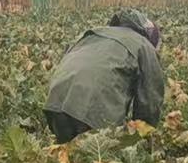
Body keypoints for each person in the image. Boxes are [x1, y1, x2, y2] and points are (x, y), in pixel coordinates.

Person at [43, 9, 165, 143]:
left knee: (67, 151)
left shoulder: (93, 33)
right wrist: (143, 138)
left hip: (55, 103)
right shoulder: (144, 45)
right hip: (93, 109)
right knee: (102, 153)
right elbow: (150, 101)